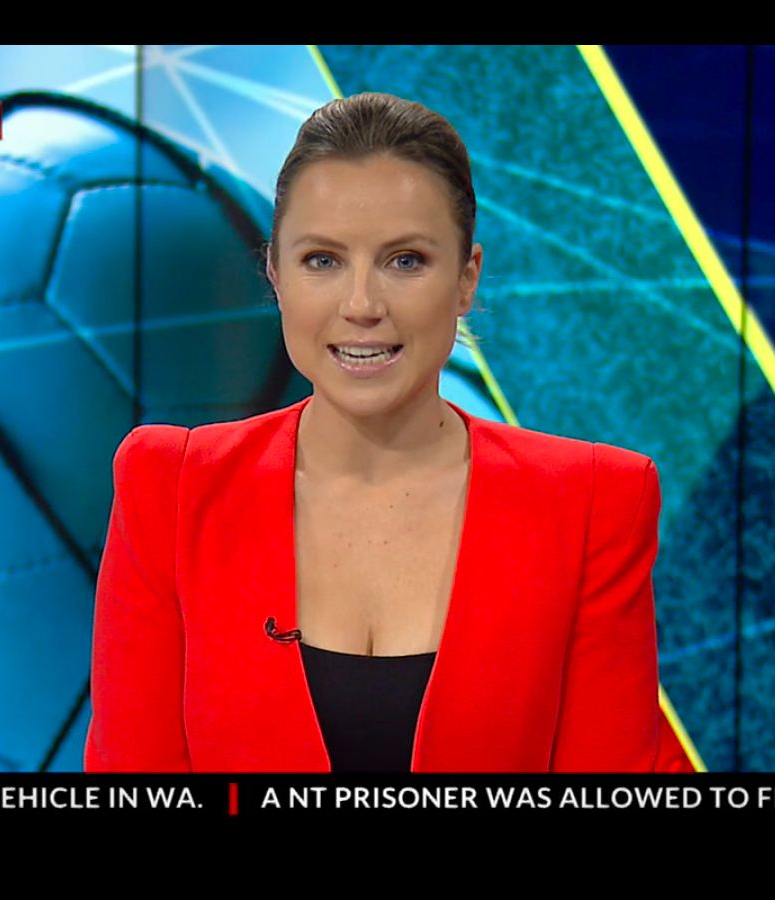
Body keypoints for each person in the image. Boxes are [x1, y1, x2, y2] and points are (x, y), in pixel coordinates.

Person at [85, 92, 693, 773]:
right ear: (276, 275)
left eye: (405, 261)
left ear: (466, 280)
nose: (362, 306)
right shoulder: (171, 488)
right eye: (322, 260)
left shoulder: (592, 504)